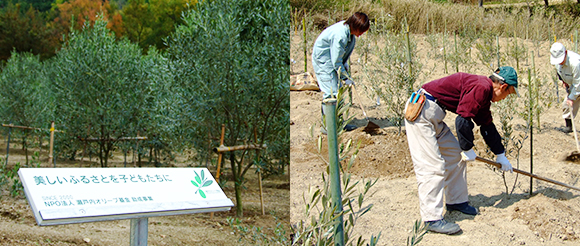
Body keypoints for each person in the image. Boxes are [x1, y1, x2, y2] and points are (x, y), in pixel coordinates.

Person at [404, 67, 518, 235]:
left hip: (434, 114)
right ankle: (432, 219)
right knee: (432, 166)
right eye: (509, 93)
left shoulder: (484, 92)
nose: (505, 98)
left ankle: (456, 202)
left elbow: (486, 125)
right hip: (422, 113)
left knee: (454, 156)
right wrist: (467, 147)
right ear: (503, 86)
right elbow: (462, 119)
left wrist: (500, 154)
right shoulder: (482, 87)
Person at [312, 12, 369, 133]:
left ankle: (337, 123)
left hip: (332, 60)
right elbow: (335, 61)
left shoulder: (349, 33)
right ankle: (328, 127)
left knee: (337, 91)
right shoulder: (340, 35)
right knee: (331, 93)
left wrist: (345, 65)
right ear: (355, 26)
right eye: (362, 31)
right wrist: (345, 77)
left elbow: (341, 55)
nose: (362, 34)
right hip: (324, 62)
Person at [550, 42, 580, 133]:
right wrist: (564, 81)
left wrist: (571, 98)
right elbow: (559, 72)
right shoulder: (556, 61)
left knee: (570, 100)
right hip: (574, 84)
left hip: (578, 84)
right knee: (566, 105)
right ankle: (569, 127)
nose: (560, 62)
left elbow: (578, 83)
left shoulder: (575, 62)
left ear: (566, 52)